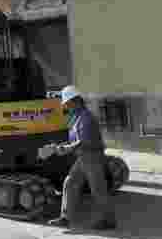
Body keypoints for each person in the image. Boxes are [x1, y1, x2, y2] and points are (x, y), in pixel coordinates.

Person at [46, 86, 116, 230]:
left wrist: (66, 149)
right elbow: (75, 140)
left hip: (92, 156)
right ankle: (66, 217)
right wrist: (60, 146)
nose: (64, 106)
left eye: (66, 103)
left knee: (98, 189)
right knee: (70, 183)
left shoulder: (86, 117)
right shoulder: (77, 117)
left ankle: (107, 220)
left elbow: (82, 141)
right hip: (84, 156)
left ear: (74, 101)